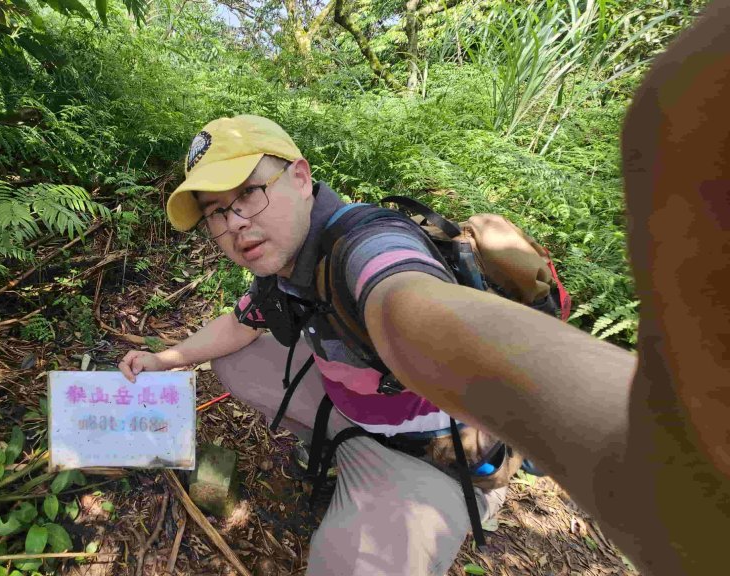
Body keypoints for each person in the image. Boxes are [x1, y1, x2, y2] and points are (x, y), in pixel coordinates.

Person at [119, 2, 730, 573]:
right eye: (216, 213)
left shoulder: (365, 244)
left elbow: (410, 305)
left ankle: (459, 498)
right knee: (236, 356)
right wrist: (162, 359)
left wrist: (649, 447)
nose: (234, 223)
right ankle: (337, 451)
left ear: (301, 177)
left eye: (249, 194)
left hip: (435, 455)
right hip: (361, 414)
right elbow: (240, 321)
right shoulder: (284, 267)